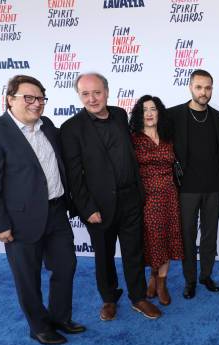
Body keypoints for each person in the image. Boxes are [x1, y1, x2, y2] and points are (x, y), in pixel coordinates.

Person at [0, 75, 84, 345]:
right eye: (29, 97)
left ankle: (60, 317)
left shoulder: (47, 125)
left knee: (66, 266)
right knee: (27, 276)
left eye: (41, 98)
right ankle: (39, 326)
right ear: (10, 99)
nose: (37, 104)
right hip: (20, 220)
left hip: (57, 212)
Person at [60, 72, 161, 321]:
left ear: (106, 92)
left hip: (131, 199)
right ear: (79, 96)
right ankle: (108, 299)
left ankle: (138, 297)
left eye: (97, 92)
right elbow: (74, 175)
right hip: (99, 206)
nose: (92, 99)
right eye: (85, 94)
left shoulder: (119, 115)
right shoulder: (71, 128)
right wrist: (86, 208)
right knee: (104, 256)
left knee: (133, 252)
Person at [167, 69, 219, 300]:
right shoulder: (173, 116)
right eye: (199, 87)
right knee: (187, 236)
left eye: (208, 88)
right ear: (190, 87)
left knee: (209, 235)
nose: (203, 92)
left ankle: (206, 275)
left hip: (214, 187)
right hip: (186, 189)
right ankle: (190, 280)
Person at [129, 95, 183, 306]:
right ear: (139, 115)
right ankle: (152, 275)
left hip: (170, 195)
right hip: (147, 198)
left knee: (167, 238)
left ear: (159, 112)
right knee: (153, 239)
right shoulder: (133, 138)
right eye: (145, 110)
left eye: (153, 109)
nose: (149, 113)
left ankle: (161, 283)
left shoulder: (169, 137)